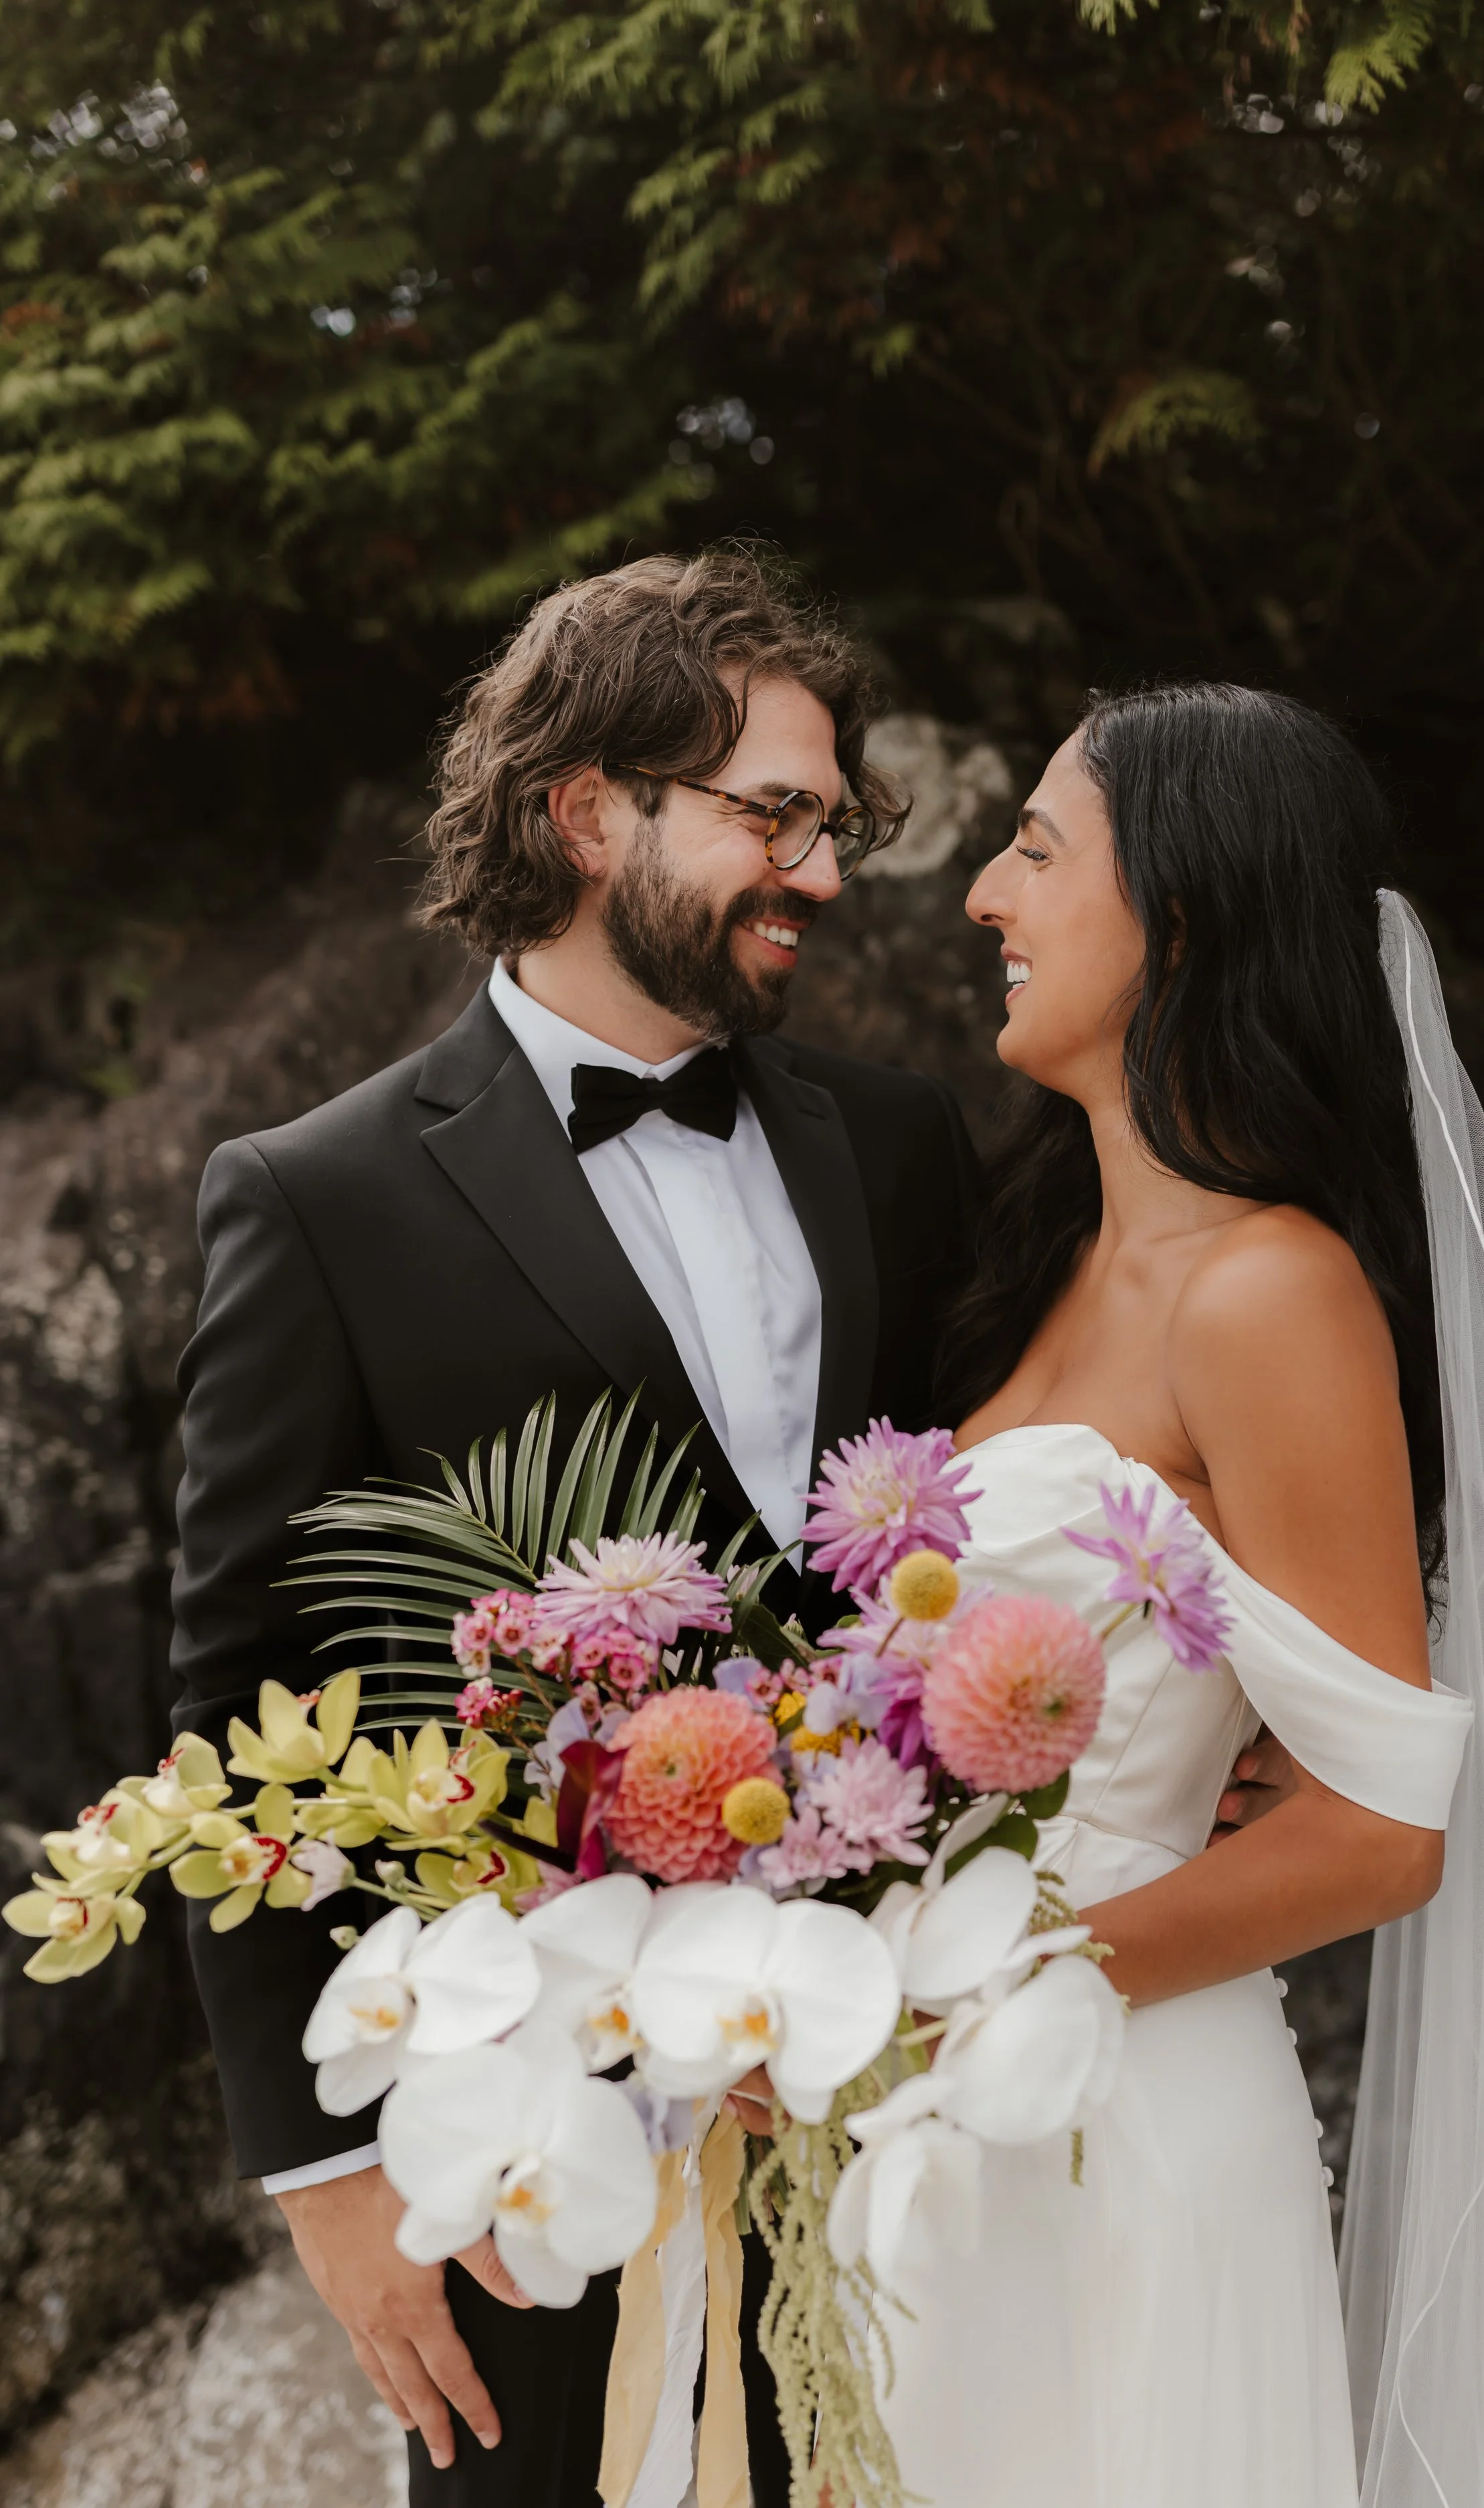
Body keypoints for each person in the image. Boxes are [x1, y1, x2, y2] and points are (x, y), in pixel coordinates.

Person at [169, 550, 999, 2507]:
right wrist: (326, 2179)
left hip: (892, 2096)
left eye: (833, 818)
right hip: (525, 2141)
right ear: (586, 809)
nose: (817, 866)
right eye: (770, 813)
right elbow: (230, 1688)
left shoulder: (899, 1143)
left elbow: (986, 1534)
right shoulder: (316, 1196)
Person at [850, 684, 1484, 2507]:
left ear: (1174, 911)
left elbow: (1380, 1832)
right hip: (945, 2116)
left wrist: (990, 1989)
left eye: (1034, 847)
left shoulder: (1270, 1291)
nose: (980, 898)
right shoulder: (1040, 1262)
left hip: (1128, 2114)